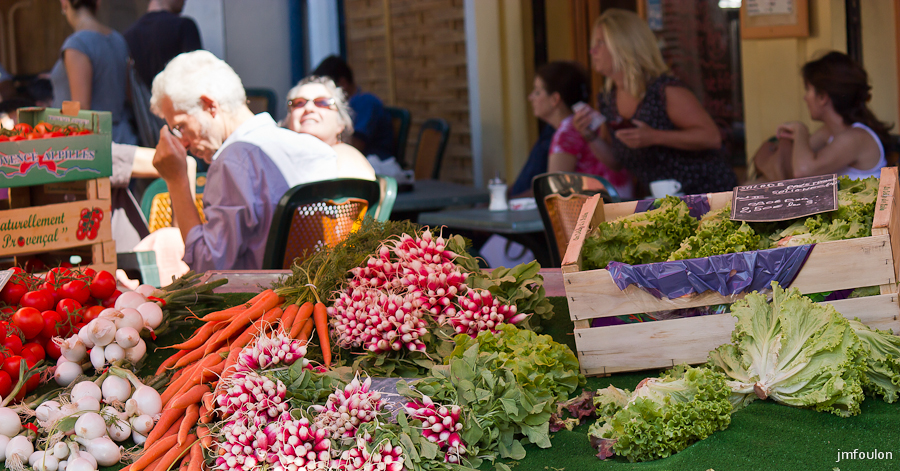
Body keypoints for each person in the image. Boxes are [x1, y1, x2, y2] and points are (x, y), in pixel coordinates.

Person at [149, 50, 338, 271]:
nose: (183, 143)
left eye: (181, 127)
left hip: (259, 301)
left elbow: (208, 267)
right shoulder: (316, 149)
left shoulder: (232, 162)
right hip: (319, 295)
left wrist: (177, 181)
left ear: (210, 106)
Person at [573, 9, 736, 197]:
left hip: (706, 192)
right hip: (666, 201)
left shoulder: (663, 91)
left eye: (600, 43)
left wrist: (654, 137)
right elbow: (616, 160)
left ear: (623, 45)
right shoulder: (607, 99)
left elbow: (711, 137)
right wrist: (590, 137)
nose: (592, 51)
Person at [759, 51, 891, 181]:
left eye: (808, 90)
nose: (805, 98)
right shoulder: (829, 132)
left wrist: (800, 131)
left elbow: (802, 172)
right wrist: (786, 142)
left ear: (822, 97)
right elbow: (792, 165)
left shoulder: (856, 137)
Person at [529, 61, 633, 198]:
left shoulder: (566, 133)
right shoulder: (595, 121)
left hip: (598, 212)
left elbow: (553, 193)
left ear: (555, 99)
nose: (530, 98)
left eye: (537, 92)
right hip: (624, 203)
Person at [50, 0, 138, 144]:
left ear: (64, 3)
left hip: (94, 148)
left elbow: (81, 109)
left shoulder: (77, 44)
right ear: (98, 3)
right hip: (123, 138)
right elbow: (128, 95)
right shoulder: (118, 39)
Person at [281, 76, 375, 181]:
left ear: (341, 123)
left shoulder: (345, 158)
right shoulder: (277, 158)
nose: (308, 108)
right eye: (299, 103)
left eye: (322, 102)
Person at [311, 56, 394, 161]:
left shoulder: (366, 103)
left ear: (342, 84)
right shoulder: (351, 103)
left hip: (375, 164)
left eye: (326, 88)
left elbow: (355, 146)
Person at [124, 0, 202, 89]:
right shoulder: (184, 26)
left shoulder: (128, 35)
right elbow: (197, 77)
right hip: (177, 100)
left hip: (145, 101)